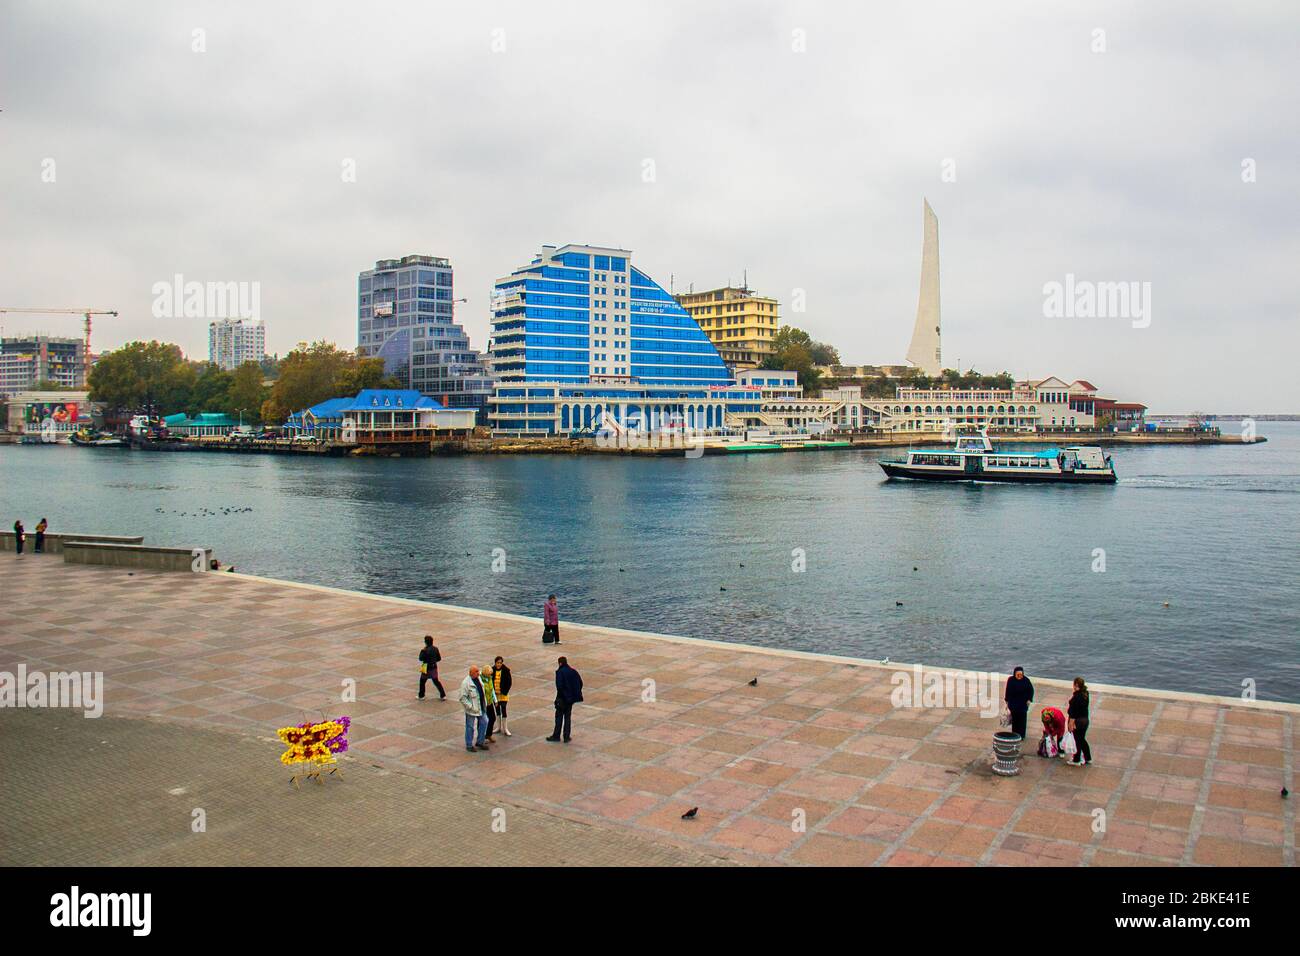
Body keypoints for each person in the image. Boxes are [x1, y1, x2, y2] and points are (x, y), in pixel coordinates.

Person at [546, 656, 583, 743]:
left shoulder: (560, 672)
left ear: (560, 663)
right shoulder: (573, 671)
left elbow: (559, 686)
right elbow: (580, 683)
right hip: (570, 699)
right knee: (567, 717)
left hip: (562, 699)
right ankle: (566, 736)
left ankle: (556, 735)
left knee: (559, 717)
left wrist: (562, 695)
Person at [458, 666, 489, 753]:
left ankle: (480, 741)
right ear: (471, 673)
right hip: (472, 710)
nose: (478, 673)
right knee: (470, 727)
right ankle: (469, 745)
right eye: (476, 671)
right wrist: (470, 706)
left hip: (481, 707)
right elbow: (462, 698)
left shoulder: (478, 678)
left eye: (478, 671)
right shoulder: (466, 683)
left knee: (485, 721)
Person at [1003, 666, 1034, 741]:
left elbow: (1031, 690)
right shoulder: (1011, 680)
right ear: (1015, 674)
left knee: (1022, 720)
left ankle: (1022, 735)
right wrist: (1006, 701)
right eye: (1018, 674)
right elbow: (1007, 690)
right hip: (1013, 703)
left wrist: (1029, 700)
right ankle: (1015, 734)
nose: (1019, 676)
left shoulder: (1026, 680)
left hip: (1023, 704)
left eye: (1021, 674)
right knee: (1015, 720)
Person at [1067, 677, 1092, 767]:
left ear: (1075, 685)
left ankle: (1076, 759)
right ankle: (1088, 757)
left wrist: (1071, 724)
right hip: (1085, 720)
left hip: (1077, 721)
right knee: (1082, 739)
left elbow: (1073, 713)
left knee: (1077, 740)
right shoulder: (1085, 694)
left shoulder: (1076, 697)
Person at [418, 635, 445, 701]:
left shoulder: (425, 650)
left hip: (425, 667)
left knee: (422, 681)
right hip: (433, 667)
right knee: (436, 681)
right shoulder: (436, 649)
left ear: (426, 642)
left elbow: (420, 658)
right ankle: (443, 695)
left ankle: (421, 695)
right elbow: (439, 658)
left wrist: (422, 651)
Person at [492, 656, 513, 737]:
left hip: (503, 694)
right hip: (495, 695)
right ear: (495, 663)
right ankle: (498, 727)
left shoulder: (506, 671)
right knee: (497, 710)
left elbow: (509, 682)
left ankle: (505, 728)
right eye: (497, 663)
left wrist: (505, 691)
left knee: (503, 709)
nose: (499, 664)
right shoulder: (492, 670)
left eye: (500, 663)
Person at [480, 662, 498, 740]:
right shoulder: (481, 680)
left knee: (493, 718)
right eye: (489, 674)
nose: (490, 675)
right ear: (485, 673)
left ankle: (488, 734)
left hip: (490, 702)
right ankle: (482, 737)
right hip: (484, 703)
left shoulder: (489, 679)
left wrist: (495, 700)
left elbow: (492, 690)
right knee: (484, 720)